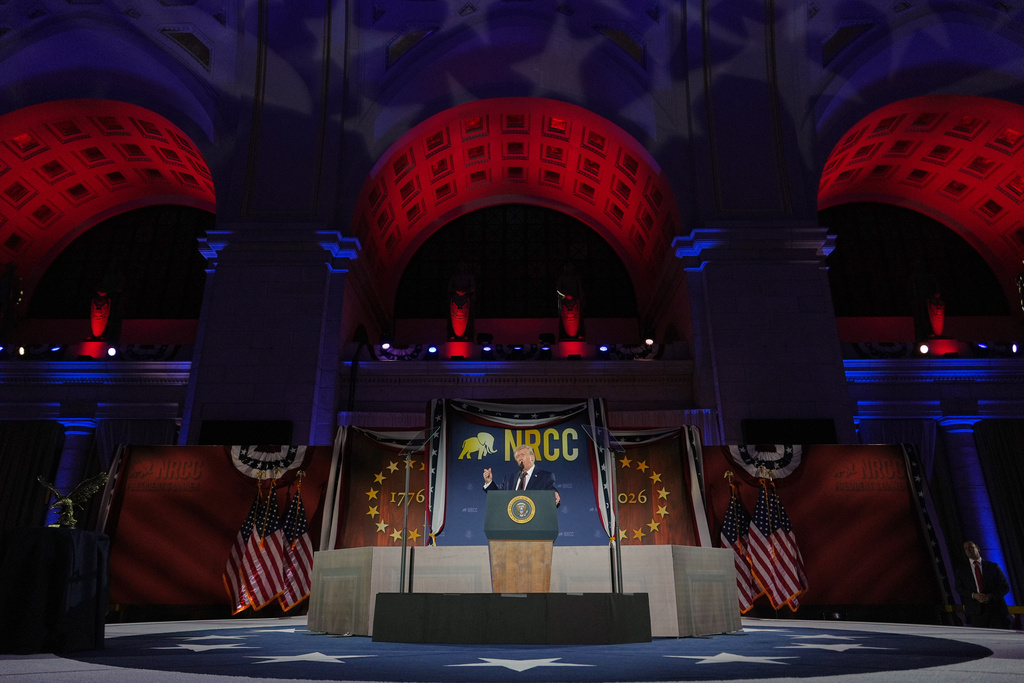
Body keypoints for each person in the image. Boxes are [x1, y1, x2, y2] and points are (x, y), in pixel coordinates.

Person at [954, 540, 1011, 629]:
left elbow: (1005, 587)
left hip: (996, 610)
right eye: (965, 548)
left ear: (978, 548)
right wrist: (974, 595)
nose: (968, 550)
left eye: (970, 547)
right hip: (976, 612)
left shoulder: (993, 566)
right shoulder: (961, 570)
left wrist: (991, 596)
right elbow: (959, 588)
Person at [483, 444, 560, 507]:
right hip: (512, 523)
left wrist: (554, 495)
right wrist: (489, 482)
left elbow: (552, 492)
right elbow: (500, 497)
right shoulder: (509, 478)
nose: (519, 458)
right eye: (517, 456)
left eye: (522, 455)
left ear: (532, 457)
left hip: (535, 523)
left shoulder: (545, 476)